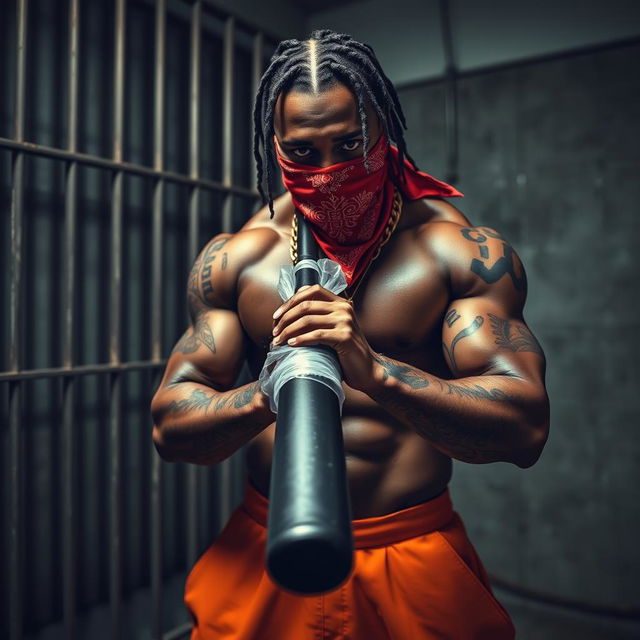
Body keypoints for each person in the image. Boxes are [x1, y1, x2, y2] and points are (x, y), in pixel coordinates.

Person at [151, 29, 549, 640]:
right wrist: (269, 390)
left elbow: (524, 430)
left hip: (408, 546)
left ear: (383, 128)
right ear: (275, 145)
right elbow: (170, 429)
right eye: (304, 154)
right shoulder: (240, 258)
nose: (330, 172)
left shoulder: (454, 252)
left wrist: (377, 372)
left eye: (349, 144)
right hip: (265, 546)